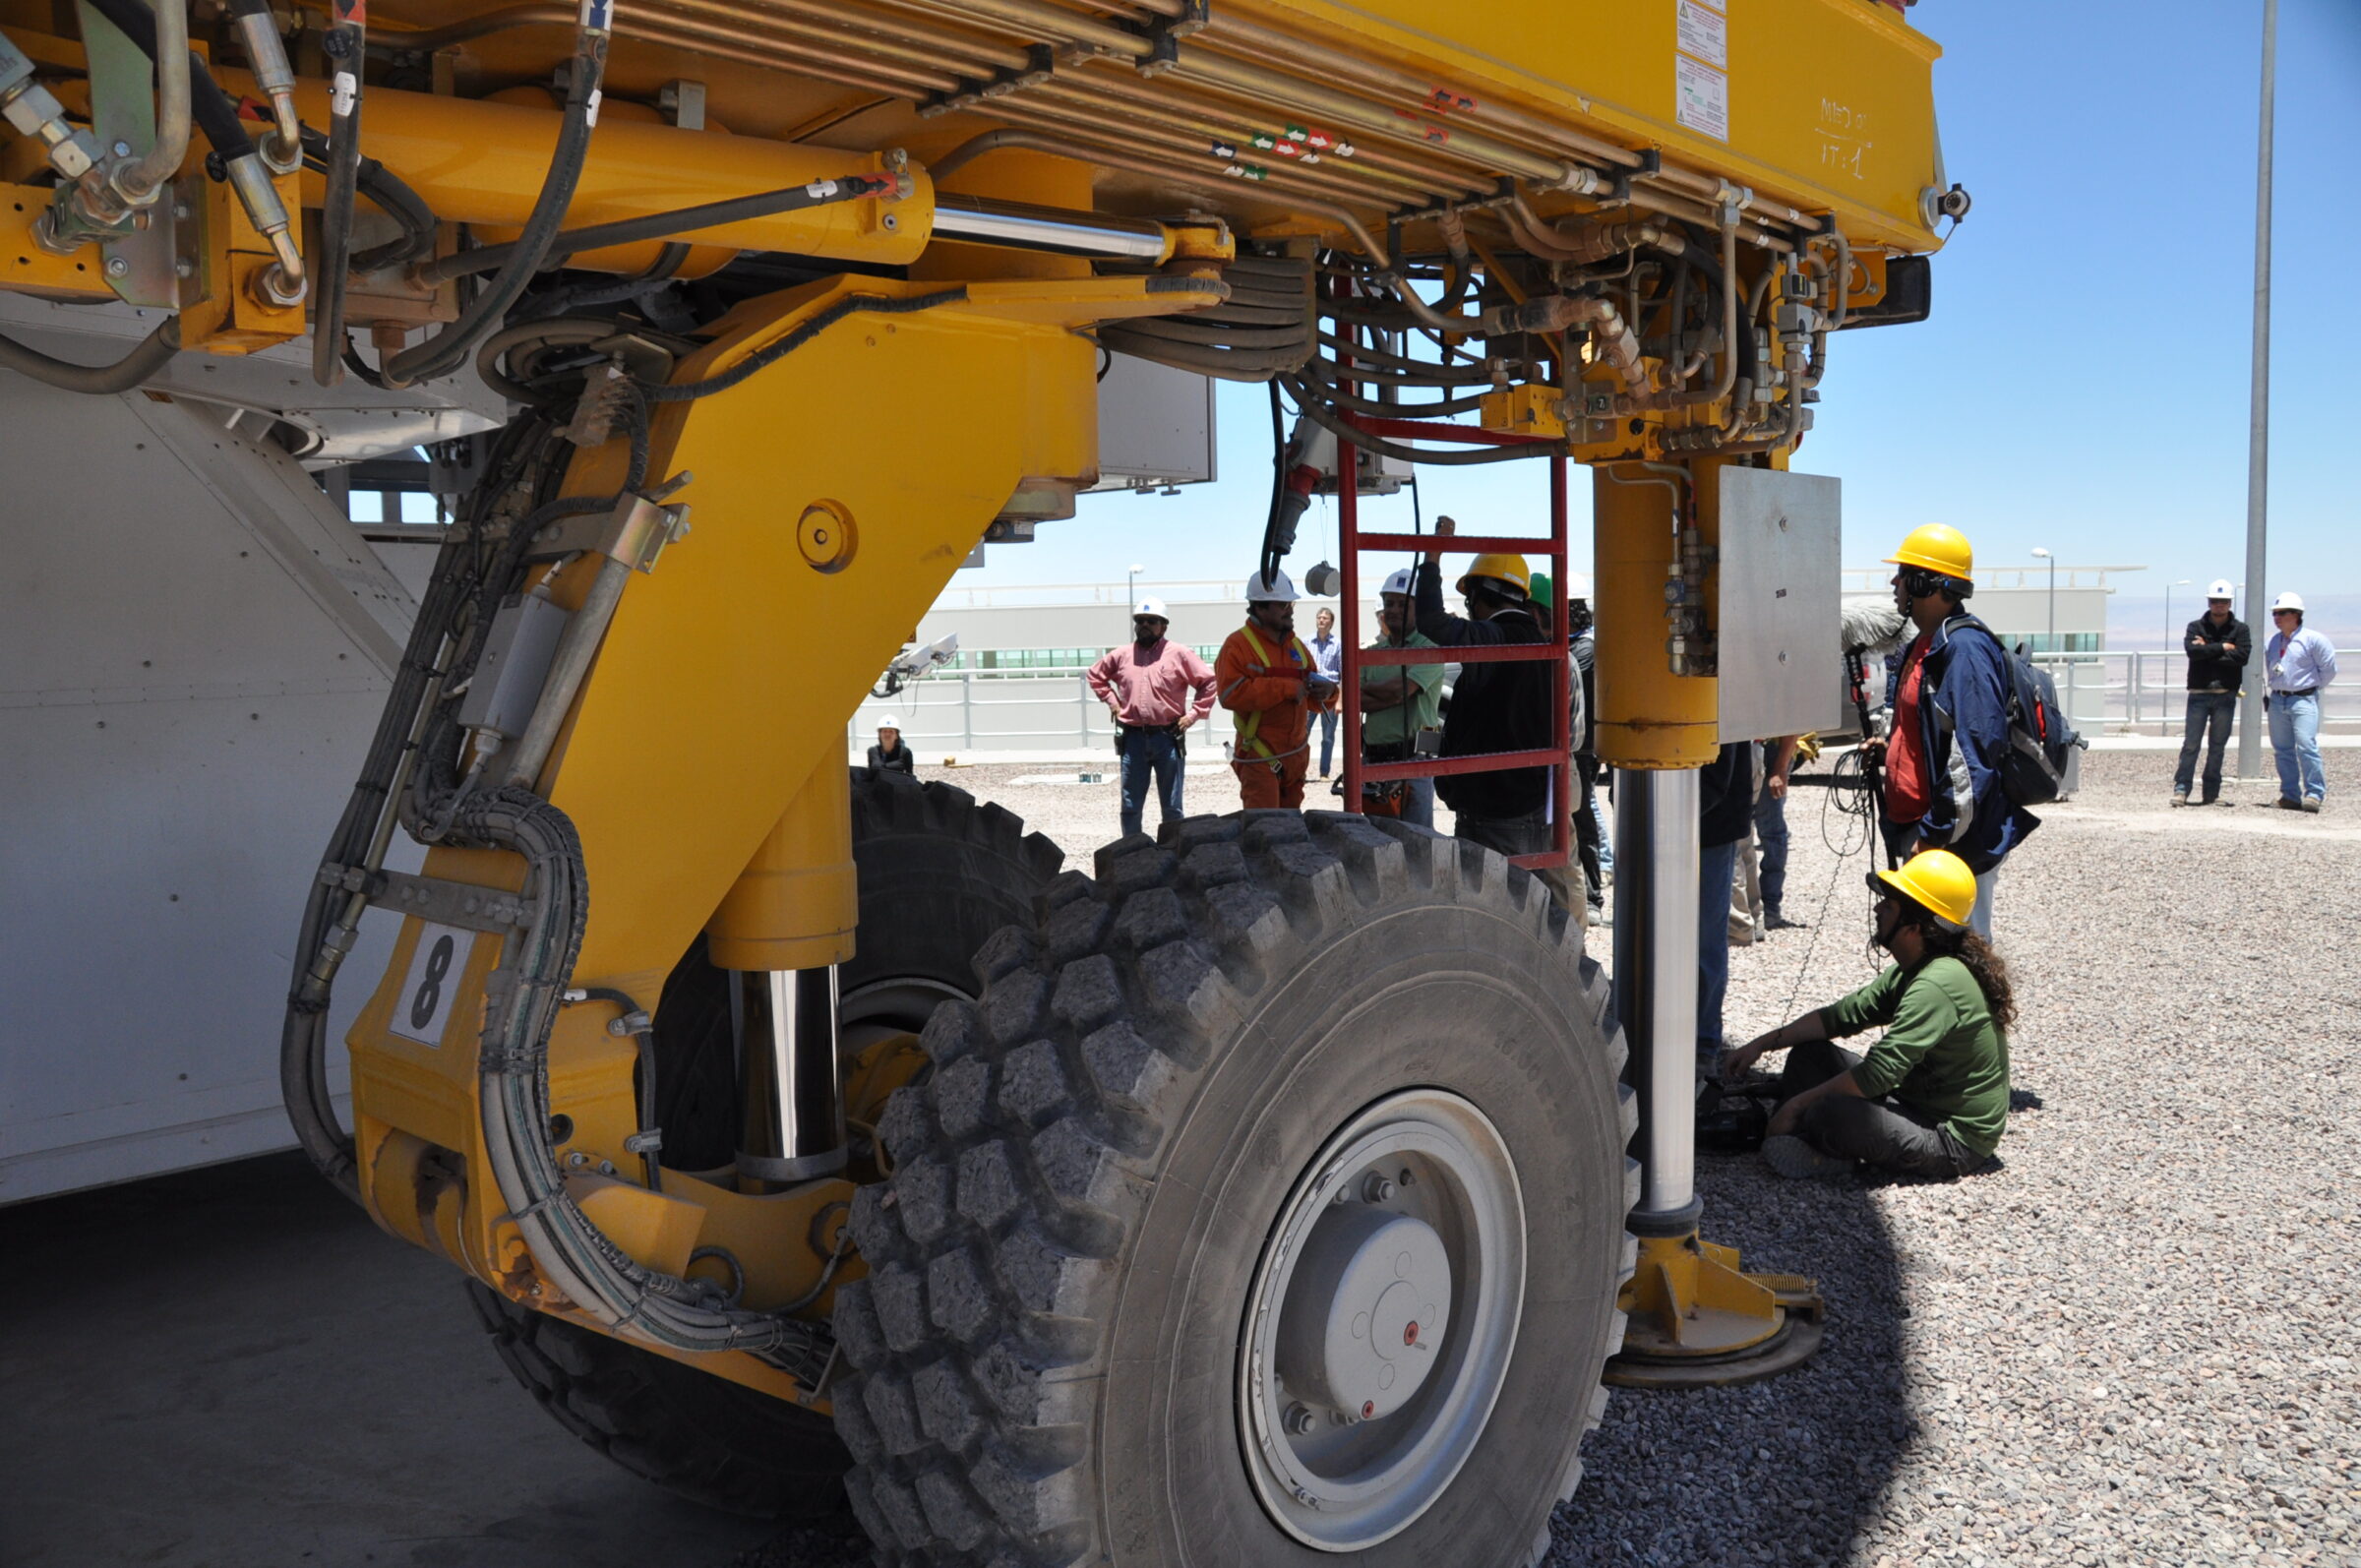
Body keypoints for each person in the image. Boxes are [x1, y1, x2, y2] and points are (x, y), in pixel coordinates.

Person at [1720, 848, 2013, 1182]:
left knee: (1827, 1111)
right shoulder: (1915, 968)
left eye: (1888, 905)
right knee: (1810, 1055)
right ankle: (1806, 1135)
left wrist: (1797, 1105)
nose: (1877, 908)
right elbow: (1841, 1016)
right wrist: (1761, 1044)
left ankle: (1834, 1159)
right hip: (1912, 1104)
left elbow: (1879, 1073)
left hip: (1953, 1141)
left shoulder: (1937, 984)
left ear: (1913, 927)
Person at [1869, 523, 2035, 938]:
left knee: (1960, 954)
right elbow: (1921, 723)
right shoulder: (1924, 643)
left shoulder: (1965, 650)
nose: (1895, 582)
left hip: (1951, 840)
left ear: (1925, 582)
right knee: (1925, 951)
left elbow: (1973, 759)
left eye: (1904, 573)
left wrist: (1933, 837)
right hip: (1922, 830)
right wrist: (1889, 747)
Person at [1413, 517, 1553, 863]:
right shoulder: (1541, 644)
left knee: (1489, 903)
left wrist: (1433, 555)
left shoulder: (1496, 637)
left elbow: (1431, 621)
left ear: (1476, 597)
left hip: (1494, 810)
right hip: (1530, 801)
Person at [1088, 597, 1217, 838]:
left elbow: (1208, 682)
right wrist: (1114, 703)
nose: (1144, 625)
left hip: (1167, 738)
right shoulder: (1122, 655)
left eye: (1152, 621)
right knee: (1130, 806)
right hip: (1133, 739)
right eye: (1140, 621)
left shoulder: (1179, 654)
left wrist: (1192, 715)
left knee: (1172, 807)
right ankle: (1132, 854)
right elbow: (1095, 675)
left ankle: (1172, 854)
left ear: (1164, 626)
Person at [1216, 569, 1323, 810]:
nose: (1290, 611)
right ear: (1260, 607)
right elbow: (1229, 694)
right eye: (1283, 605)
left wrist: (1326, 694)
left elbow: (1311, 693)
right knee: (1265, 833)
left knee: (1292, 833)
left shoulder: (1296, 646)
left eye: (1290, 605)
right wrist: (1285, 688)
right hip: (1261, 759)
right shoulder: (1238, 646)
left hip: (1294, 759)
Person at [1360, 569, 1444, 829]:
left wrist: (1382, 693)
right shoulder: (1371, 653)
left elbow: (1398, 690)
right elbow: (1355, 699)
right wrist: (1393, 695)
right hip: (1375, 759)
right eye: (1389, 603)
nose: (1393, 610)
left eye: (1402, 603)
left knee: (1417, 840)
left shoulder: (1430, 648)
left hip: (1417, 758)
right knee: (1378, 840)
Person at [1696, 741, 1752, 1072]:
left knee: (1705, 942)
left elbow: (1719, 771)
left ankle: (1703, 1043)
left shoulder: (1717, 689)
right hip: (1678, 816)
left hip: (1712, 825)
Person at [2172, 579, 2250, 808]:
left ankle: (2211, 792)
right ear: (2209, 602)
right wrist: (2224, 647)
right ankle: (2181, 789)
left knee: (2218, 746)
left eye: (2223, 601)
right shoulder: (2195, 627)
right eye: (2215, 601)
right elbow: (2192, 652)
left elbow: (2242, 657)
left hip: (2225, 694)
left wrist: (2208, 649)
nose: (2219, 605)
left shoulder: (2241, 629)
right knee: (2191, 744)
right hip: (2199, 693)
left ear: (2230, 603)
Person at [2263, 591, 2337, 812]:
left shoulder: (2314, 640)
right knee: (2283, 749)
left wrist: (2309, 689)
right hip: (2278, 700)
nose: (2276, 617)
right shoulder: (2273, 641)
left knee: (2306, 746)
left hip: (2303, 700)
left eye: (2281, 613)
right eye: (2275, 613)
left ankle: (2314, 794)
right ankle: (2290, 795)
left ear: (2296, 615)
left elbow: (2329, 670)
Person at [1755, 734, 1802, 928]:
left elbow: (1794, 719)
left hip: (1773, 750)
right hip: (1752, 748)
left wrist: (1780, 768)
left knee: (1771, 831)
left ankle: (1770, 906)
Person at [1308, 606, 1344, 779]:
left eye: (1325, 618)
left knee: (1328, 737)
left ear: (1331, 622)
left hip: (1330, 695)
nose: (1321, 620)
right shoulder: (1306, 642)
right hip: (1310, 694)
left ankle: (1324, 772)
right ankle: (1298, 772)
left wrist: (1339, 701)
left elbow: (1343, 674)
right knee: (1301, 734)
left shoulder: (1337, 645)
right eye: (1319, 617)